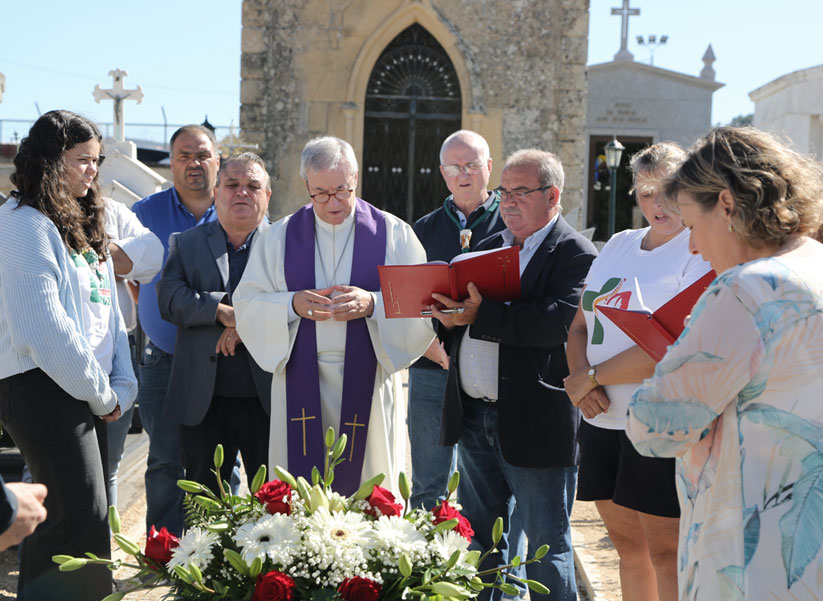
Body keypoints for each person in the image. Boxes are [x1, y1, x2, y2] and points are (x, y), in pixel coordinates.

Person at [626, 127, 823, 600]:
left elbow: (652, 426)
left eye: (692, 225)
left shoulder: (745, 290)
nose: (693, 247)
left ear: (728, 205)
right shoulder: (815, 263)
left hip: (748, 559)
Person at [431, 149, 597, 601]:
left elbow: (557, 323)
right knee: (482, 544)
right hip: (474, 419)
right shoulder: (486, 248)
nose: (507, 202)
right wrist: (445, 320)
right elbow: (462, 321)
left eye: (521, 192)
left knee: (546, 549)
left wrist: (478, 317)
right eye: (504, 191)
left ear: (552, 195)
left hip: (535, 422)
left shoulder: (575, 253)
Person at [234, 136, 434, 495]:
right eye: (321, 193)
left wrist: (373, 304)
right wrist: (291, 304)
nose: (333, 202)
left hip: (369, 378)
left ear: (355, 178)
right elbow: (247, 305)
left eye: (342, 190)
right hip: (299, 377)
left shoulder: (394, 235)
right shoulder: (278, 239)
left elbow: (421, 304)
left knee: (368, 490)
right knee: (302, 493)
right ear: (306, 186)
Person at [563, 142, 711, 601]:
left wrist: (591, 378)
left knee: (666, 550)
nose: (658, 204)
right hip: (602, 417)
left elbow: (668, 343)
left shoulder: (698, 251)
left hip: (657, 418)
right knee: (627, 545)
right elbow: (580, 326)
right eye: (646, 193)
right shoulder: (620, 245)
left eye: (669, 190)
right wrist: (578, 381)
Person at [0, 110, 137, 600]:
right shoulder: (23, 224)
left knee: (85, 519)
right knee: (71, 519)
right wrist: (102, 394)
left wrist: (123, 383)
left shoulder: (79, 223)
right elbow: (45, 330)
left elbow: (108, 313)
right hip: (40, 386)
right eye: (82, 160)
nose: (92, 171)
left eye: (96, 160)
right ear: (50, 160)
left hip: (82, 389)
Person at [157, 153, 272, 494]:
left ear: (268, 195)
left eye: (253, 186)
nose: (242, 193)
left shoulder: (285, 245)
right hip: (203, 401)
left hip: (266, 397)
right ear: (217, 191)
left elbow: (296, 301)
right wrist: (221, 310)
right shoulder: (187, 242)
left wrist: (243, 323)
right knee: (203, 505)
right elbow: (169, 298)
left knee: (274, 506)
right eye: (233, 184)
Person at [408, 130, 507, 510]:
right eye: (454, 167)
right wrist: (432, 348)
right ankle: (427, 567)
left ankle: (493, 570)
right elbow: (406, 302)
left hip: (492, 373)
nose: (464, 173)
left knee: (492, 489)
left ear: (489, 167)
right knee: (427, 488)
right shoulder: (422, 230)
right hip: (432, 368)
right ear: (442, 173)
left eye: (472, 165)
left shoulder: (511, 224)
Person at [132, 124, 220, 535]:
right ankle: (164, 553)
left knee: (219, 459)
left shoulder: (240, 205)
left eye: (202, 155)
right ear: (172, 164)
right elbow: (132, 278)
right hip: (162, 358)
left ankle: (219, 556)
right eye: (184, 156)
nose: (194, 164)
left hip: (223, 356)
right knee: (165, 458)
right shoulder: (145, 214)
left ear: (217, 159)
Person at [103, 197, 163, 508]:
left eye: (94, 159)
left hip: (119, 350)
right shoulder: (33, 213)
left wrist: (94, 251)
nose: (89, 168)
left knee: (109, 468)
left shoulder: (110, 209)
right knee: (46, 467)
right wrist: (117, 255)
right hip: (60, 353)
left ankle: (101, 554)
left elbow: (152, 255)